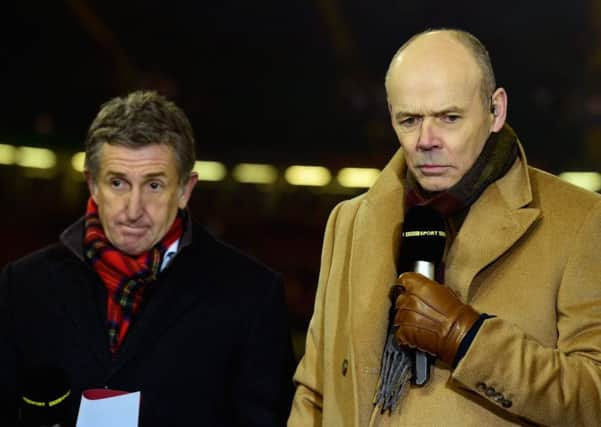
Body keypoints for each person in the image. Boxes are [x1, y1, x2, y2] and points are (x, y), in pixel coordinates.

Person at [288, 29, 601, 426]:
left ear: (496, 110)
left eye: (449, 117)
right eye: (409, 119)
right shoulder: (348, 221)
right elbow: (315, 390)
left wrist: (469, 339)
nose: (426, 140)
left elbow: (594, 396)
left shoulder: (581, 219)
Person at [0, 90, 295, 426]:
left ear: (185, 190)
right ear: (92, 185)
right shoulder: (21, 286)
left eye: (154, 185)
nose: (133, 209)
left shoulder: (253, 294)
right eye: (118, 183)